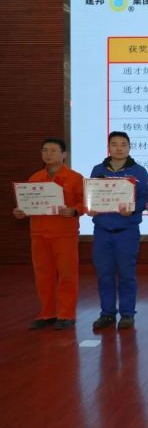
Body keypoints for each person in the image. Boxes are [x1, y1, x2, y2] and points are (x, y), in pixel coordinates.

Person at [13, 139, 84, 330]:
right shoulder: (35, 177)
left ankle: (66, 314)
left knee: (67, 275)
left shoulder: (75, 178)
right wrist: (20, 211)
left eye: (53, 150)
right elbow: (28, 204)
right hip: (38, 233)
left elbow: (84, 203)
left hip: (64, 234)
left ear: (64, 154)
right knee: (43, 276)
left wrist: (74, 210)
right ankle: (47, 313)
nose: (48, 154)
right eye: (45, 150)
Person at [89, 131, 148, 330]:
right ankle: (107, 314)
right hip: (102, 231)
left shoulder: (139, 171)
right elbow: (92, 195)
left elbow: (144, 198)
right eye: (114, 144)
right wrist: (91, 206)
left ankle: (127, 314)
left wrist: (133, 208)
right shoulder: (98, 170)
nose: (119, 148)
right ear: (108, 147)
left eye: (123, 144)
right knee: (104, 275)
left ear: (129, 148)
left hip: (127, 231)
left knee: (127, 275)